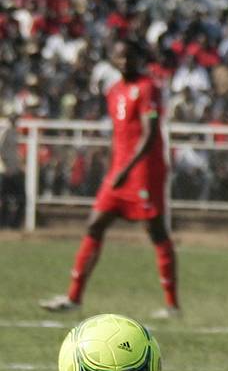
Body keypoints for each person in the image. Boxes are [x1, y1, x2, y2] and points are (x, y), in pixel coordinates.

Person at [40, 39, 180, 318]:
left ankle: (172, 305)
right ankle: (73, 297)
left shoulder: (147, 87)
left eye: (129, 57)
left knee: (156, 232)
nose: (124, 62)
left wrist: (126, 170)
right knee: (95, 224)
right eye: (119, 57)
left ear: (138, 59)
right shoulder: (114, 91)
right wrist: (113, 167)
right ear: (113, 60)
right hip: (119, 171)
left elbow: (149, 134)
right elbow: (120, 136)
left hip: (143, 173)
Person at [0, 115, 24, 229]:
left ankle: (11, 224)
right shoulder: (5, 131)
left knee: (18, 198)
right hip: (5, 170)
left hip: (13, 169)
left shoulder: (14, 131)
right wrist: (4, 166)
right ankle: (4, 223)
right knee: (4, 198)